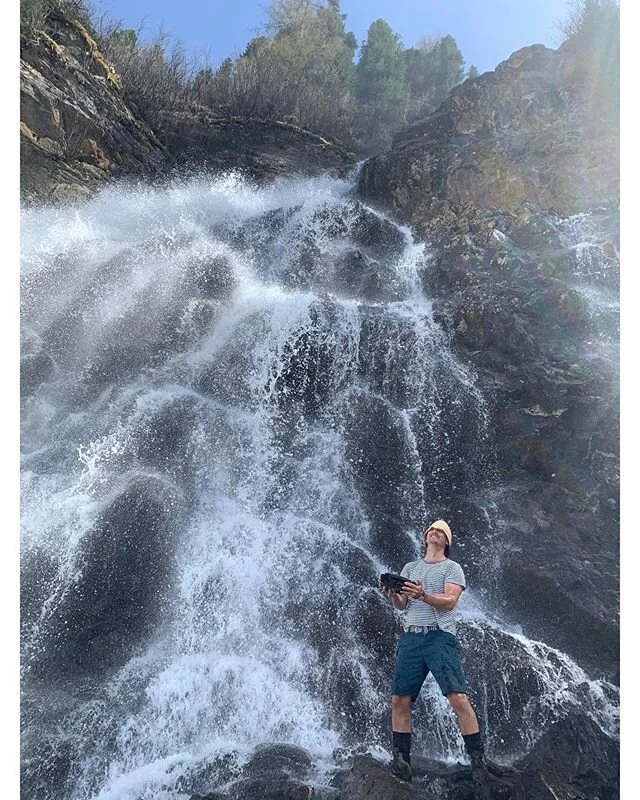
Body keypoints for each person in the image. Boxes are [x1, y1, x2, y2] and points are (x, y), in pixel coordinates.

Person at [380, 519, 497, 790]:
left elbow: (450, 602)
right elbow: (401, 605)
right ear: (425, 538)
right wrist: (392, 593)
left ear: (447, 542)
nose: (434, 532)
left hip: (439, 636)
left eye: (440, 531)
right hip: (411, 636)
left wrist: (423, 594)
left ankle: (477, 761)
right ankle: (401, 761)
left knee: (457, 696)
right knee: (399, 699)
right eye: (431, 530)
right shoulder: (410, 568)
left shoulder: (452, 568)